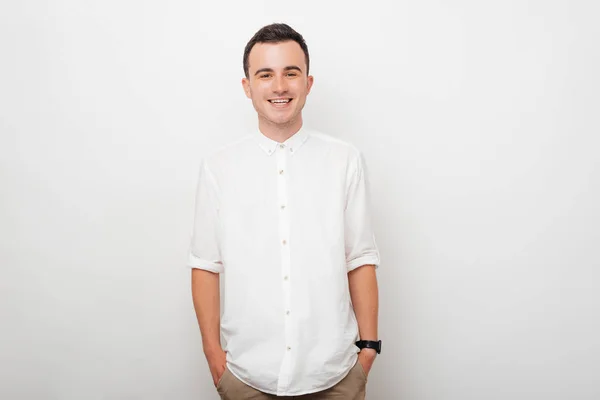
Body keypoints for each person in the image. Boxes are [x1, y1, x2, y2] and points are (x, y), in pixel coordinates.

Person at [188, 23, 381, 399]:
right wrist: (215, 359)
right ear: (247, 87)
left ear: (308, 83)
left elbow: (360, 257)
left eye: (291, 73)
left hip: (335, 375)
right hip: (247, 377)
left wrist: (368, 350)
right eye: (266, 75)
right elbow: (205, 265)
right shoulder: (218, 168)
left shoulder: (345, 161)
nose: (279, 86)